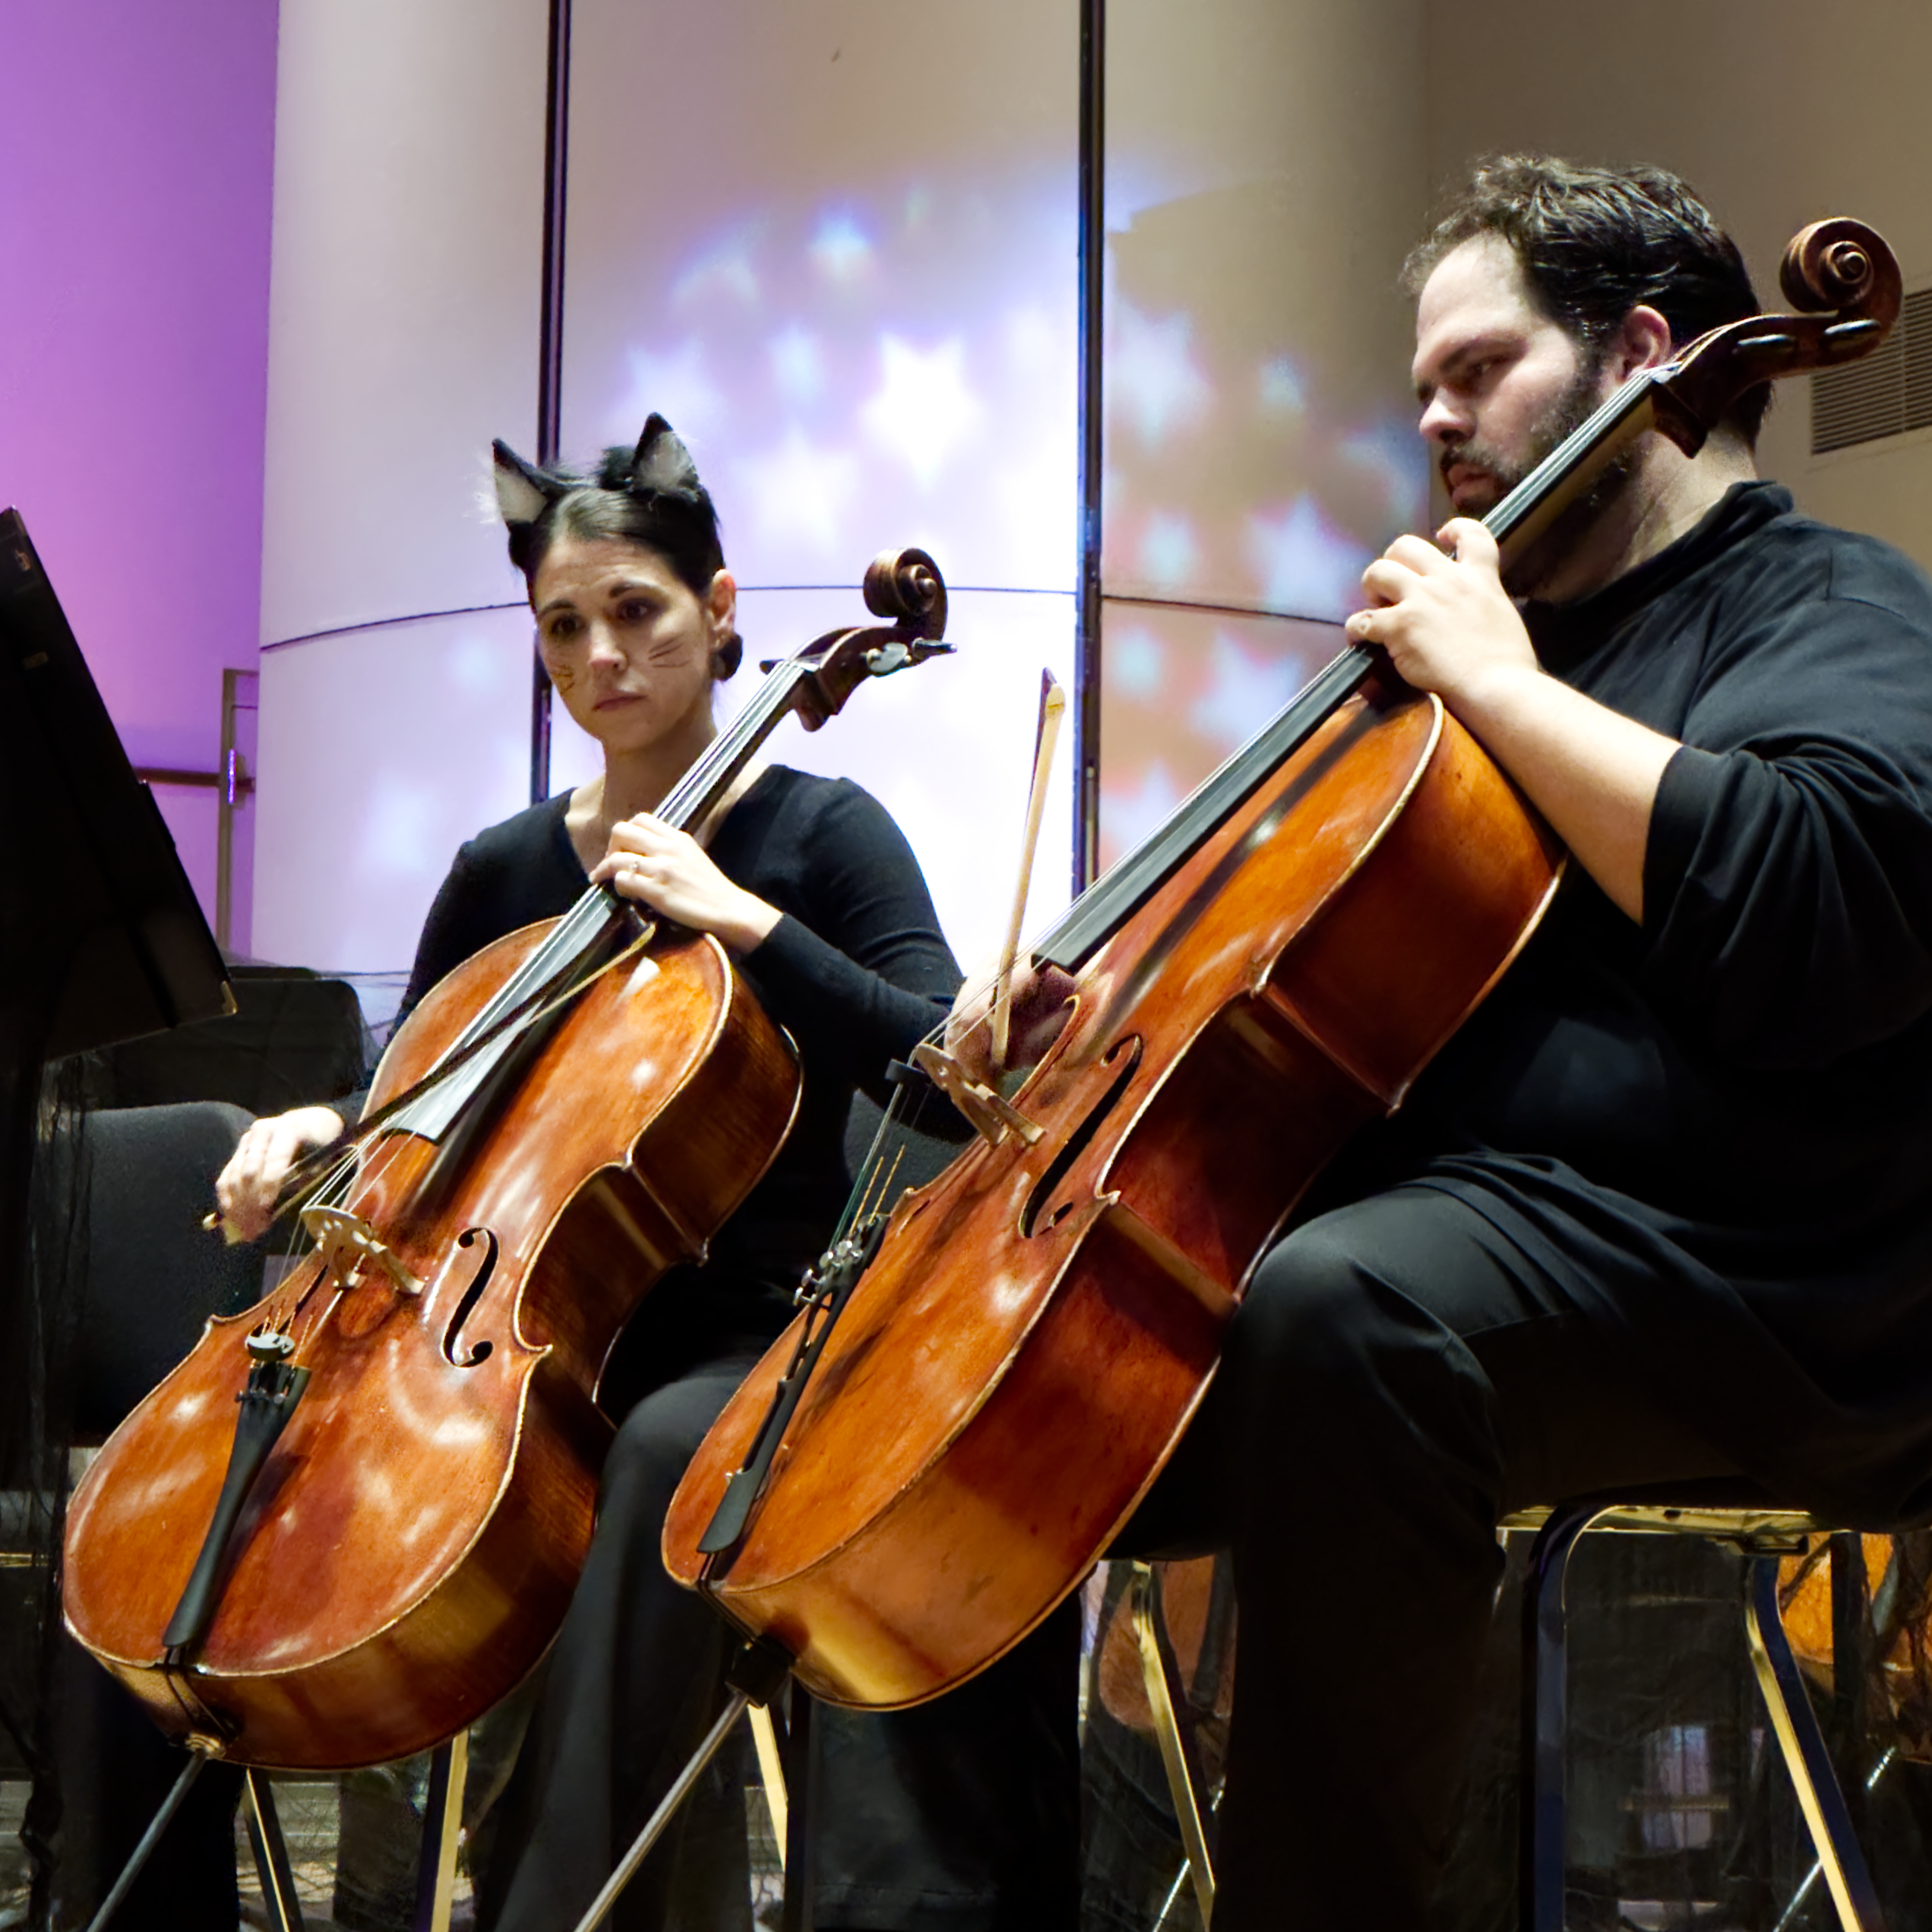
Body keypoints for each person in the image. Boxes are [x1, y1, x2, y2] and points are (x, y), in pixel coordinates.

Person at [972, 157, 1932, 1929]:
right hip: (1474, 1251)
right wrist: (1086, 1007)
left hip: (1759, 1284)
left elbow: (1830, 910)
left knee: (1350, 1310)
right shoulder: (1468, 662)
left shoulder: (1823, 604)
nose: (1431, 416)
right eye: (1424, 382)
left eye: (1479, 368)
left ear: (1643, 355)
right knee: (979, 1408)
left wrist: (1498, 684)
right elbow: (1289, 978)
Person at [219, 418, 1077, 1931]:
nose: (599, 656)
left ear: (720, 607)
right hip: (517, 1340)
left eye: (636, 611)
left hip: (753, 1345)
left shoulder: (822, 834)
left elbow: (942, 1077)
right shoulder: (504, 870)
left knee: (655, 1458)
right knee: (245, 1474)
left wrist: (747, 923)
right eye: (563, 626)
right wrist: (317, 1130)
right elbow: (414, 1095)